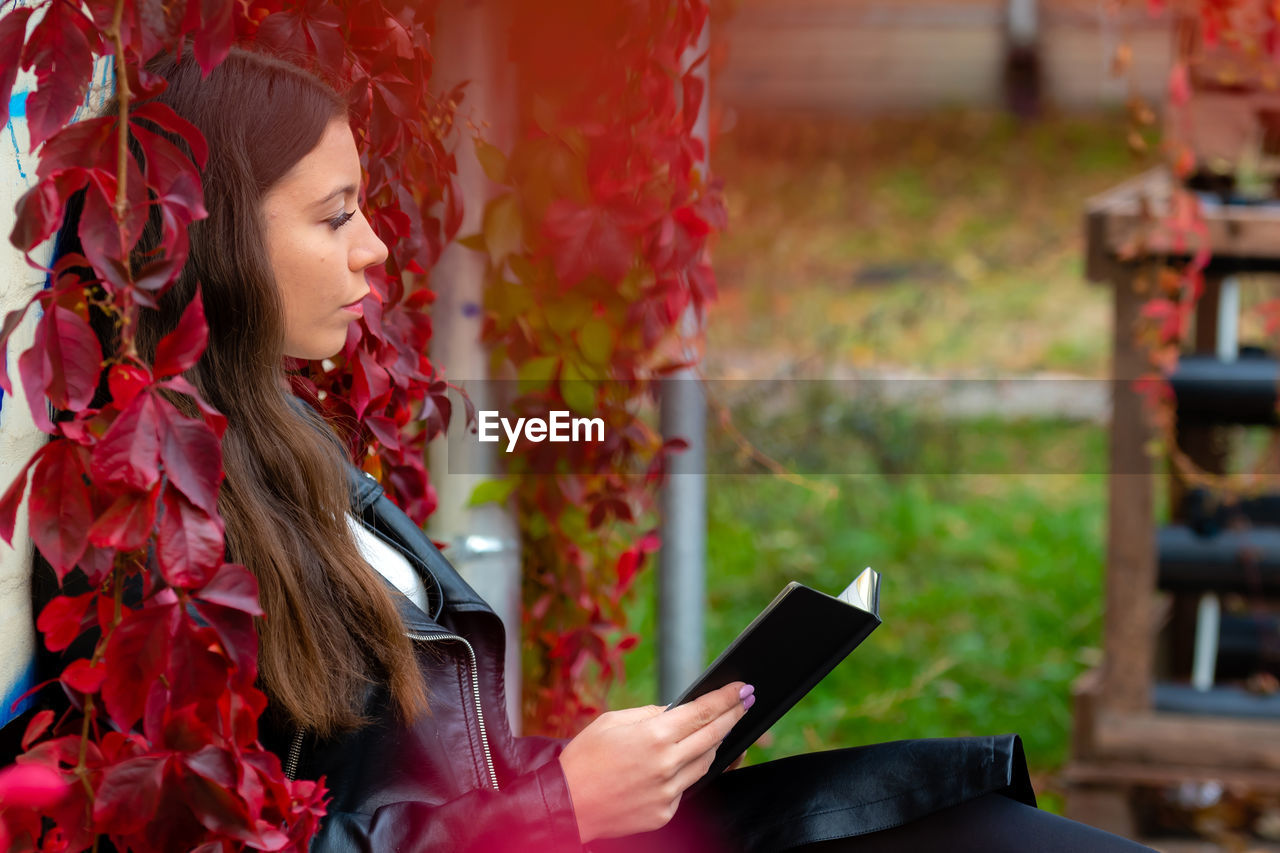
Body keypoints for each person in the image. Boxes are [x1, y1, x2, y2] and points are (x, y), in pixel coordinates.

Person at [15, 46, 1156, 852]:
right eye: (331, 216)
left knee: (949, 812)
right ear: (211, 235)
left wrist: (614, 761)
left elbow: (412, 763)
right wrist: (552, 803)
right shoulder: (144, 519)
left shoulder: (283, 436)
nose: (373, 254)